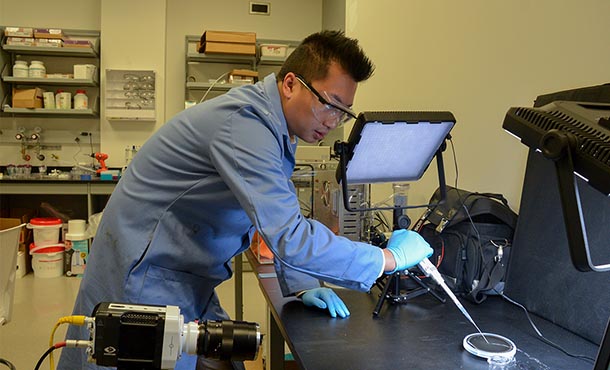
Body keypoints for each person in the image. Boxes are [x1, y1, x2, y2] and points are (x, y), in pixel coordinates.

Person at [58, 30, 432, 370]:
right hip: (144, 279)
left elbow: (270, 209)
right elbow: (290, 236)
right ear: (290, 84)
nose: (334, 120)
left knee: (226, 358)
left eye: (343, 111)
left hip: (181, 275)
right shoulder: (246, 124)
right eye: (329, 104)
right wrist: (388, 259)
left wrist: (302, 284)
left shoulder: (272, 128)